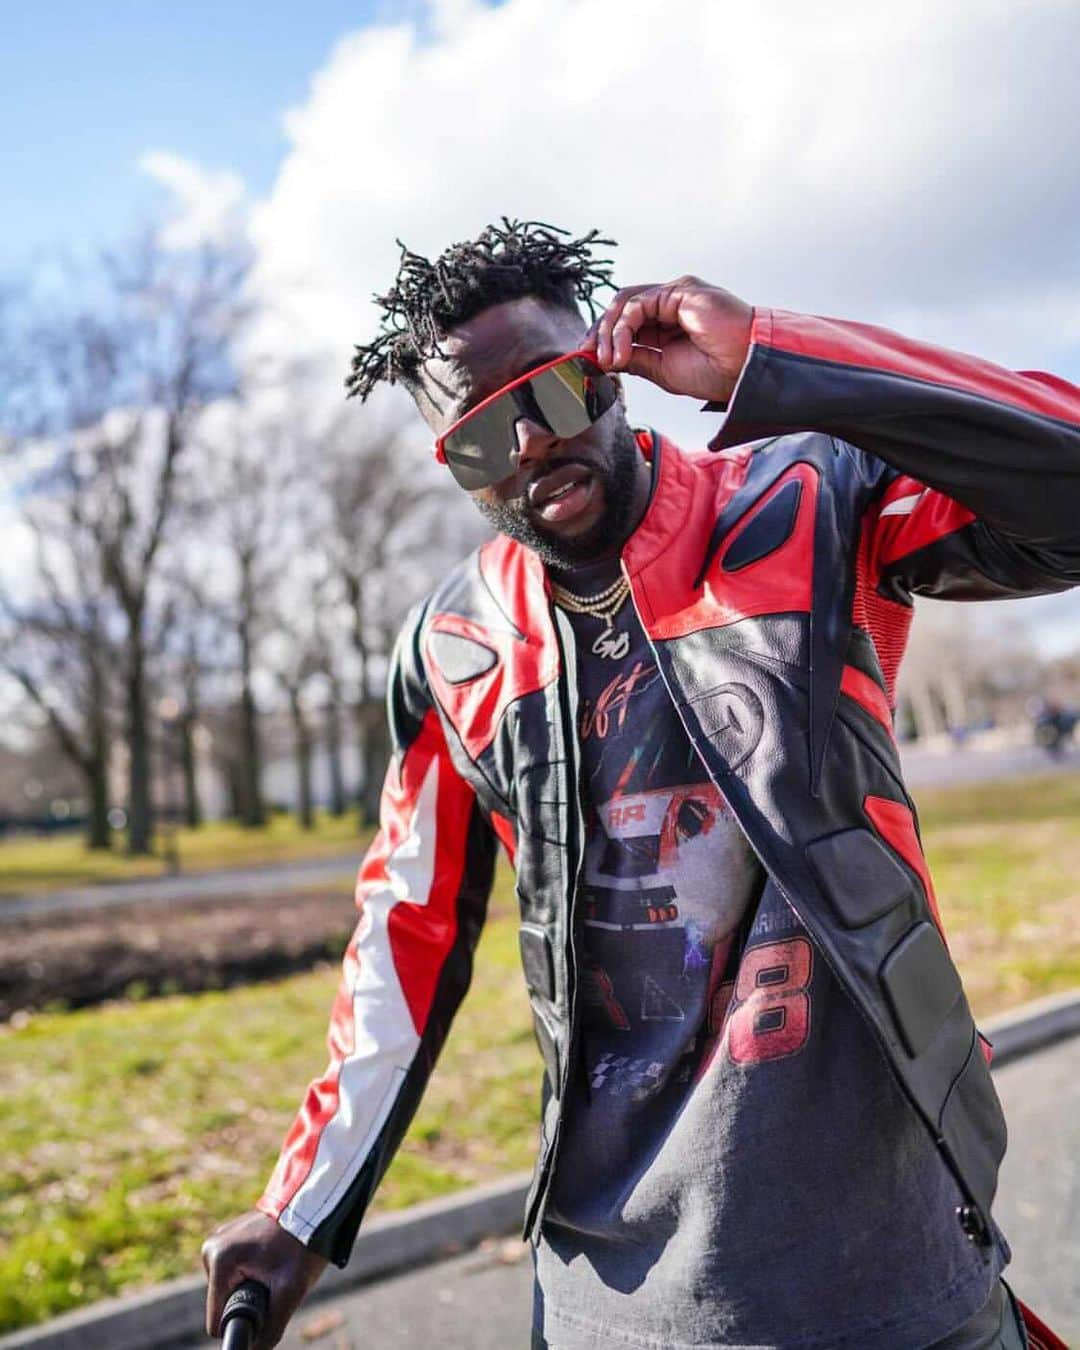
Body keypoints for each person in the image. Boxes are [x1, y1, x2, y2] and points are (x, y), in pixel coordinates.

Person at [202, 221, 1078, 1349]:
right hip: (608, 1295)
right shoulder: (456, 648)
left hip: (892, 1259)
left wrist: (775, 355)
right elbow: (404, 940)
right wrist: (300, 1207)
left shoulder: (805, 503)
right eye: (478, 444)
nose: (528, 448)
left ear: (608, 365)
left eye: (553, 395)